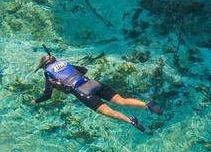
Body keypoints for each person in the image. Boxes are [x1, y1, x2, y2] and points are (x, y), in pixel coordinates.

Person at [33, 53, 161, 132]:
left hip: (83, 92)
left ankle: (130, 121)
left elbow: (47, 95)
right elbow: (84, 70)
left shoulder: (49, 75)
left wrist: (36, 101)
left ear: (44, 66)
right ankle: (147, 105)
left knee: (109, 112)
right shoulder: (66, 64)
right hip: (93, 83)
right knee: (121, 101)